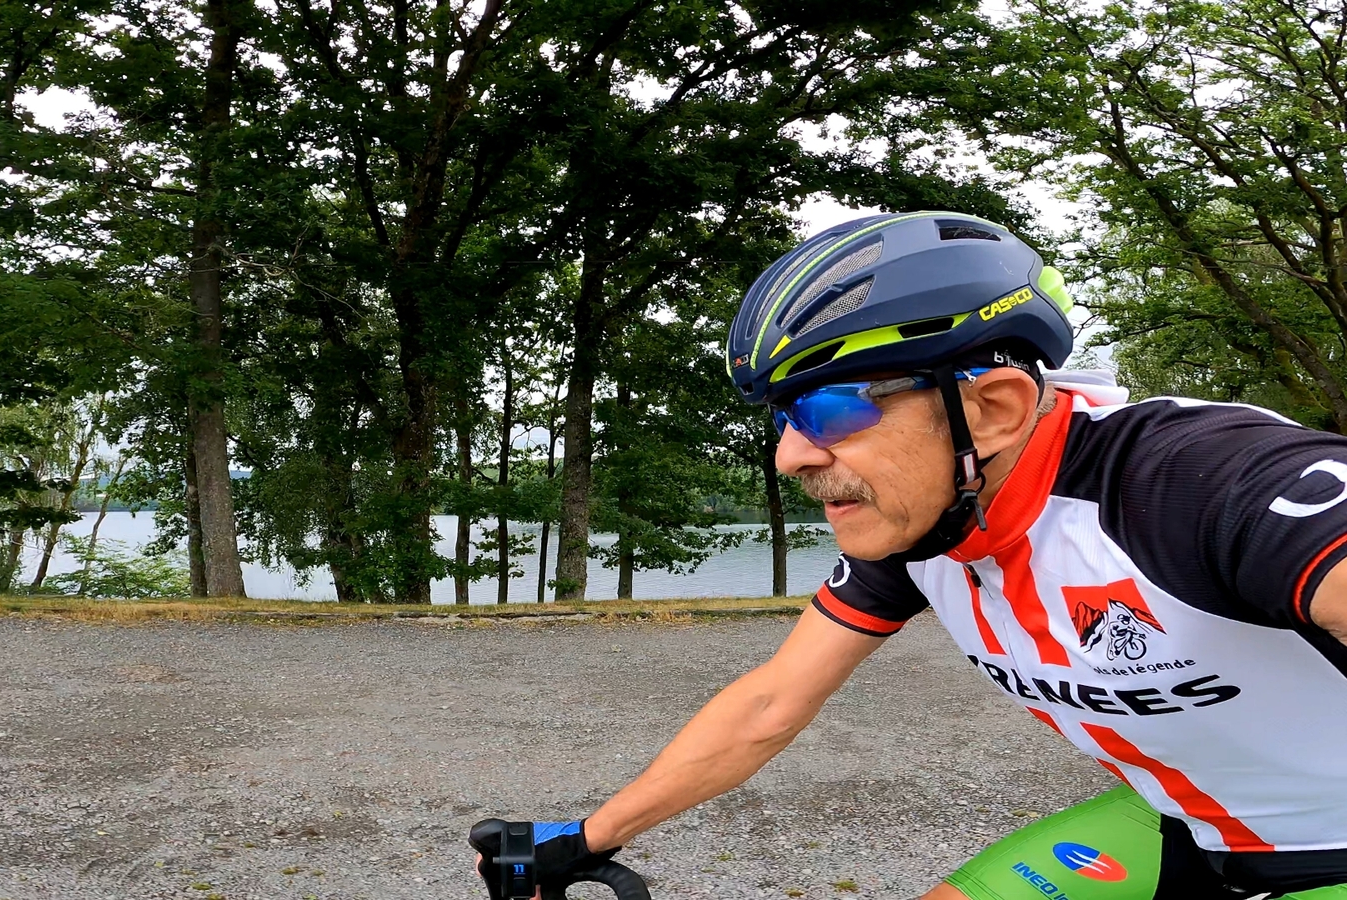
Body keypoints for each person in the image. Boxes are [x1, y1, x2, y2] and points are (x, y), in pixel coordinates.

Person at [476, 212, 1347, 899]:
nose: (790, 456)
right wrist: (582, 840)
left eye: (828, 410)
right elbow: (772, 702)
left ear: (995, 409)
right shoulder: (929, 518)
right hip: (1184, 825)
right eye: (782, 418)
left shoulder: (1201, 482)